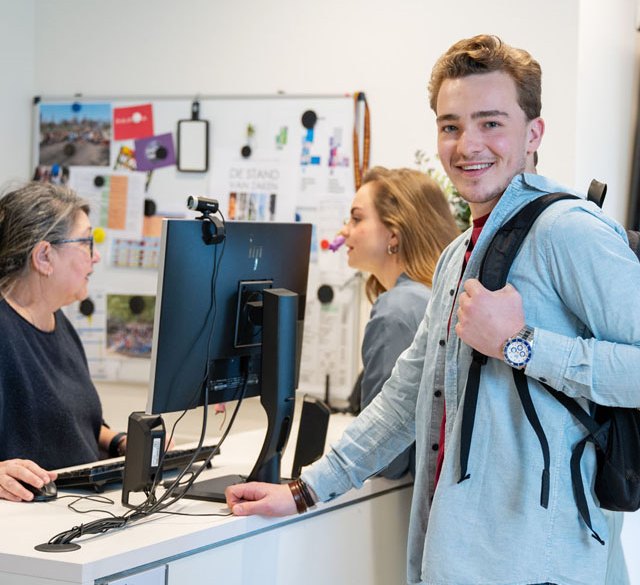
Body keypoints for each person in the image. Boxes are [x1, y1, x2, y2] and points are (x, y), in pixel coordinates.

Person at [226, 35, 638, 585]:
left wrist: (522, 345)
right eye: (451, 126)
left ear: (533, 132)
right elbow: (404, 399)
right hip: (455, 559)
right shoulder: (456, 254)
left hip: (540, 567)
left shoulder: (569, 233)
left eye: (491, 122)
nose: (467, 144)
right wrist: (305, 489)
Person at [0, 182, 127, 502]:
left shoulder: (60, 324)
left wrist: (120, 441)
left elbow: (69, 421)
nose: (96, 256)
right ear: (44, 256)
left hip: (78, 505)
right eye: (86, 242)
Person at [340, 166, 459, 478]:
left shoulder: (397, 308)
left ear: (393, 233)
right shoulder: (439, 295)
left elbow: (383, 456)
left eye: (356, 218)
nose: (344, 231)